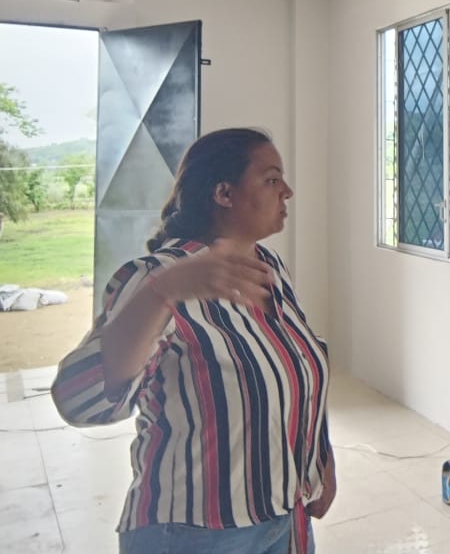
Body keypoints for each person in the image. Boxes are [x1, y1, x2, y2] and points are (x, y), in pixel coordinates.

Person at [52, 128, 335, 554]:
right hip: (195, 534)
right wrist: (162, 292)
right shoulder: (158, 276)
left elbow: (295, 368)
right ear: (224, 193)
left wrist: (319, 462)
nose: (287, 191)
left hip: (285, 519)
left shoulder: (269, 266)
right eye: (272, 179)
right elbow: (81, 401)